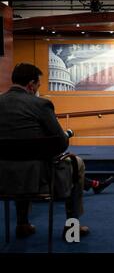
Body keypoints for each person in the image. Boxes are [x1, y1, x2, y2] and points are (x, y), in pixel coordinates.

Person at [0, 63, 91, 239]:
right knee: (76, 163)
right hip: (37, 177)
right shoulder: (40, 104)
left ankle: (22, 224)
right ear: (31, 84)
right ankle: (72, 228)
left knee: (19, 159)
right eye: (38, 85)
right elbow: (61, 142)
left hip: (2, 175)